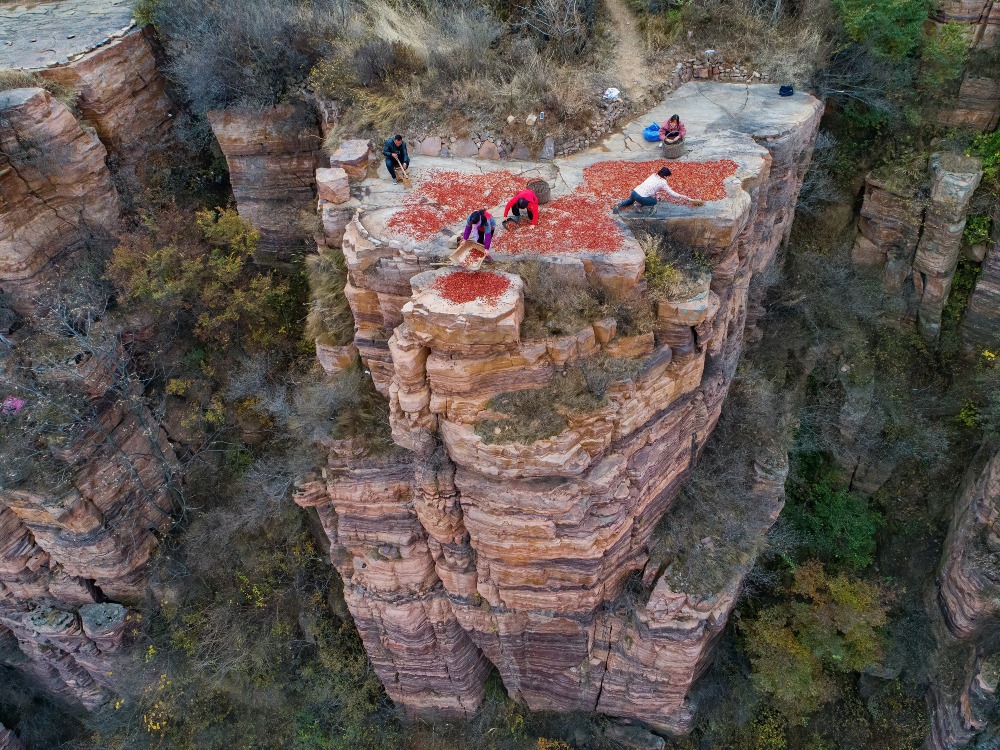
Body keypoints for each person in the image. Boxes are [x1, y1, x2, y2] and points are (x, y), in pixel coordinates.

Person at [613, 167, 700, 214]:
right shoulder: (663, 182)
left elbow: (651, 186)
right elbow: (671, 193)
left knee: (630, 200)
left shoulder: (653, 175)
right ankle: (638, 205)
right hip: (641, 196)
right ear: (665, 175)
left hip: (635, 191)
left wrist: (654, 192)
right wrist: (682, 196)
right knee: (654, 201)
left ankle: (619, 205)